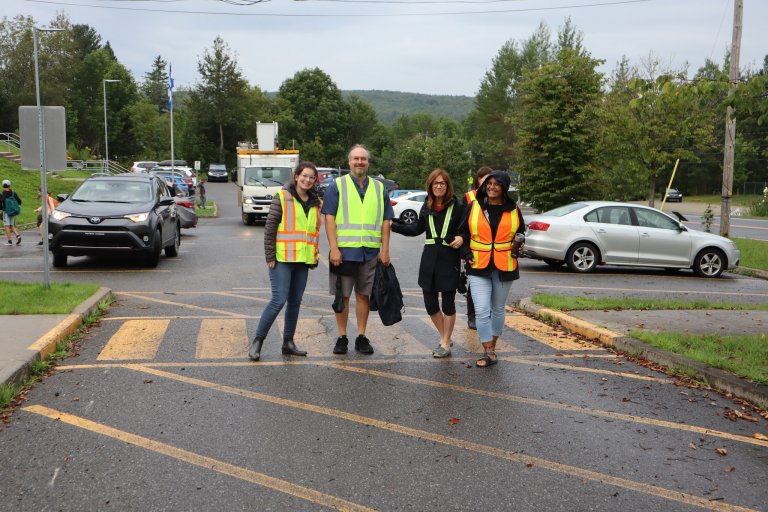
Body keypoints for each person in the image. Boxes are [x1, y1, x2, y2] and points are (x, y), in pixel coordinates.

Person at [321, 144, 394, 355]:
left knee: (364, 296)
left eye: (363, 158)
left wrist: (385, 250)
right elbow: (329, 218)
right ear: (349, 162)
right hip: (343, 253)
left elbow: (386, 221)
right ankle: (342, 336)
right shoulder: (337, 186)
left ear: (368, 162)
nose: (360, 162)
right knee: (342, 297)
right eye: (356, 159)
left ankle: (361, 336)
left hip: (370, 252)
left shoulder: (379, 188)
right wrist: (333, 248)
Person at [248, 162, 322, 361]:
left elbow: (313, 232)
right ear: (296, 176)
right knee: (278, 300)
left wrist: (313, 258)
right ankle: (257, 341)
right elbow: (270, 228)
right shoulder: (282, 197)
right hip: (282, 259)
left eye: (311, 177)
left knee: (295, 302)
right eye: (304, 176)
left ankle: (288, 343)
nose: (307, 180)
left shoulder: (316, 203)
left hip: (303, 260)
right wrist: (270, 256)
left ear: (315, 181)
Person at [391, 169, 464, 357]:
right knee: (430, 304)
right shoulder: (427, 206)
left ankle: (445, 343)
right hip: (429, 259)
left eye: (442, 183)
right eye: (435, 183)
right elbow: (416, 228)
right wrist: (393, 225)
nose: (438, 186)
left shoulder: (458, 206)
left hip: (449, 259)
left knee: (448, 303)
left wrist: (462, 238)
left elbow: (467, 230)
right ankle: (445, 337)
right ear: (430, 186)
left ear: (448, 186)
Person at [459, 171, 525, 368]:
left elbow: (520, 231)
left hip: (505, 265)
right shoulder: (474, 206)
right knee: (481, 310)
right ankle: (487, 350)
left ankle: (492, 347)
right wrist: (465, 253)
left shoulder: (513, 209)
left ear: (504, 187)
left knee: (497, 309)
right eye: (489, 183)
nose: (492, 187)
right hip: (478, 264)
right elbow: (462, 232)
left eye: (497, 184)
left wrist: (520, 244)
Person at [460, 167, 493, 330]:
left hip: (493, 251)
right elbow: (462, 225)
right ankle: (472, 316)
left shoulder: (496, 197)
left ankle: (487, 315)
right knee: (474, 285)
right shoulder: (468, 197)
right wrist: (464, 250)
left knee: (492, 284)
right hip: (474, 249)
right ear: (478, 179)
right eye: (485, 178)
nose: (488, 182)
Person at [1, 179, 22, 245]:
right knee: (12, 225)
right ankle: (18, 236)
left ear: (2, 186)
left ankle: (9, 241)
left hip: (6, 212)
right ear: (9, 185)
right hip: (13, 212)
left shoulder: (1, 194)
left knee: (7, 226)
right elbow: (20, 202)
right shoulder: (14, 193)